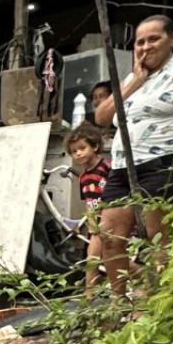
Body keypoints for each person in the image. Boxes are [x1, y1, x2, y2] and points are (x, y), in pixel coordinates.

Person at [92, 14, 173, 289]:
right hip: (121, 167)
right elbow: (102, 118)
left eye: (154, 39)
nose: (146, 47)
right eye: (140, 42)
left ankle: (164, 305)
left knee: (158, 239)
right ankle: (119, 304)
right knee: (109, 236)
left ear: (172, 38)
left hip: (164, 162)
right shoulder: (133, 76)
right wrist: (135, 81)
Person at [64, 124, 112, 291]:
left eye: (82, 148)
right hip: (96, 225)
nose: (78, 153)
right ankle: (90, 297)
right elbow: (89, 203)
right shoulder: (83, 177)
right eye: (74, 151)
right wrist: (92, 224)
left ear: (95, 146)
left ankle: (144, 280)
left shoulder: (107, 167)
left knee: (102, 260)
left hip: (111, 220)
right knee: (95, 260)